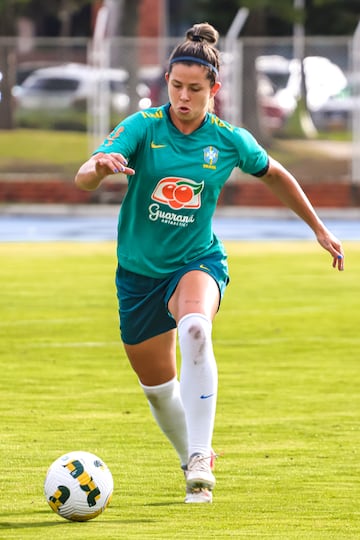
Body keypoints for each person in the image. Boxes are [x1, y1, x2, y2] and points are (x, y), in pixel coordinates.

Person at [74, 22, 344, 504]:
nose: (182, 96)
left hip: (197, 260)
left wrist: (319, 228)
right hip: (137, 273)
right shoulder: (142, 127)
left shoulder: (229, 140)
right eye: (175, 86)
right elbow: (84, 177)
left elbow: (277, 174)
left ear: (213, 90)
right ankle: (190, 457)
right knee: (158, 390)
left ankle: (201, 456)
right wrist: (98, 167)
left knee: (196, 327)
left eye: (194, 89)